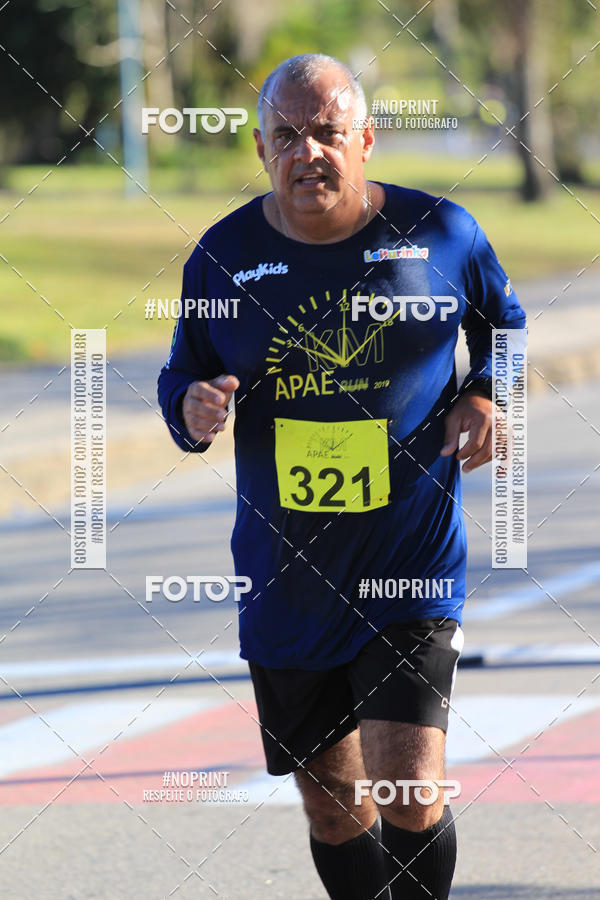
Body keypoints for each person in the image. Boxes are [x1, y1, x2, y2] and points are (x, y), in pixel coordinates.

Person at [158, 53, 526, 900]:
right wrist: (193, 410)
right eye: (287, 135)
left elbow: (503, 324)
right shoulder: (223, 255)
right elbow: (183, 375)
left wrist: (484, 392)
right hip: (288, 576)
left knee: (408, 784)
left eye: (327, 132)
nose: (308, 152)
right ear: (260, 148)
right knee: (332, 806)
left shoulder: (445, 233)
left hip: (411, 563)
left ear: (364, 139)